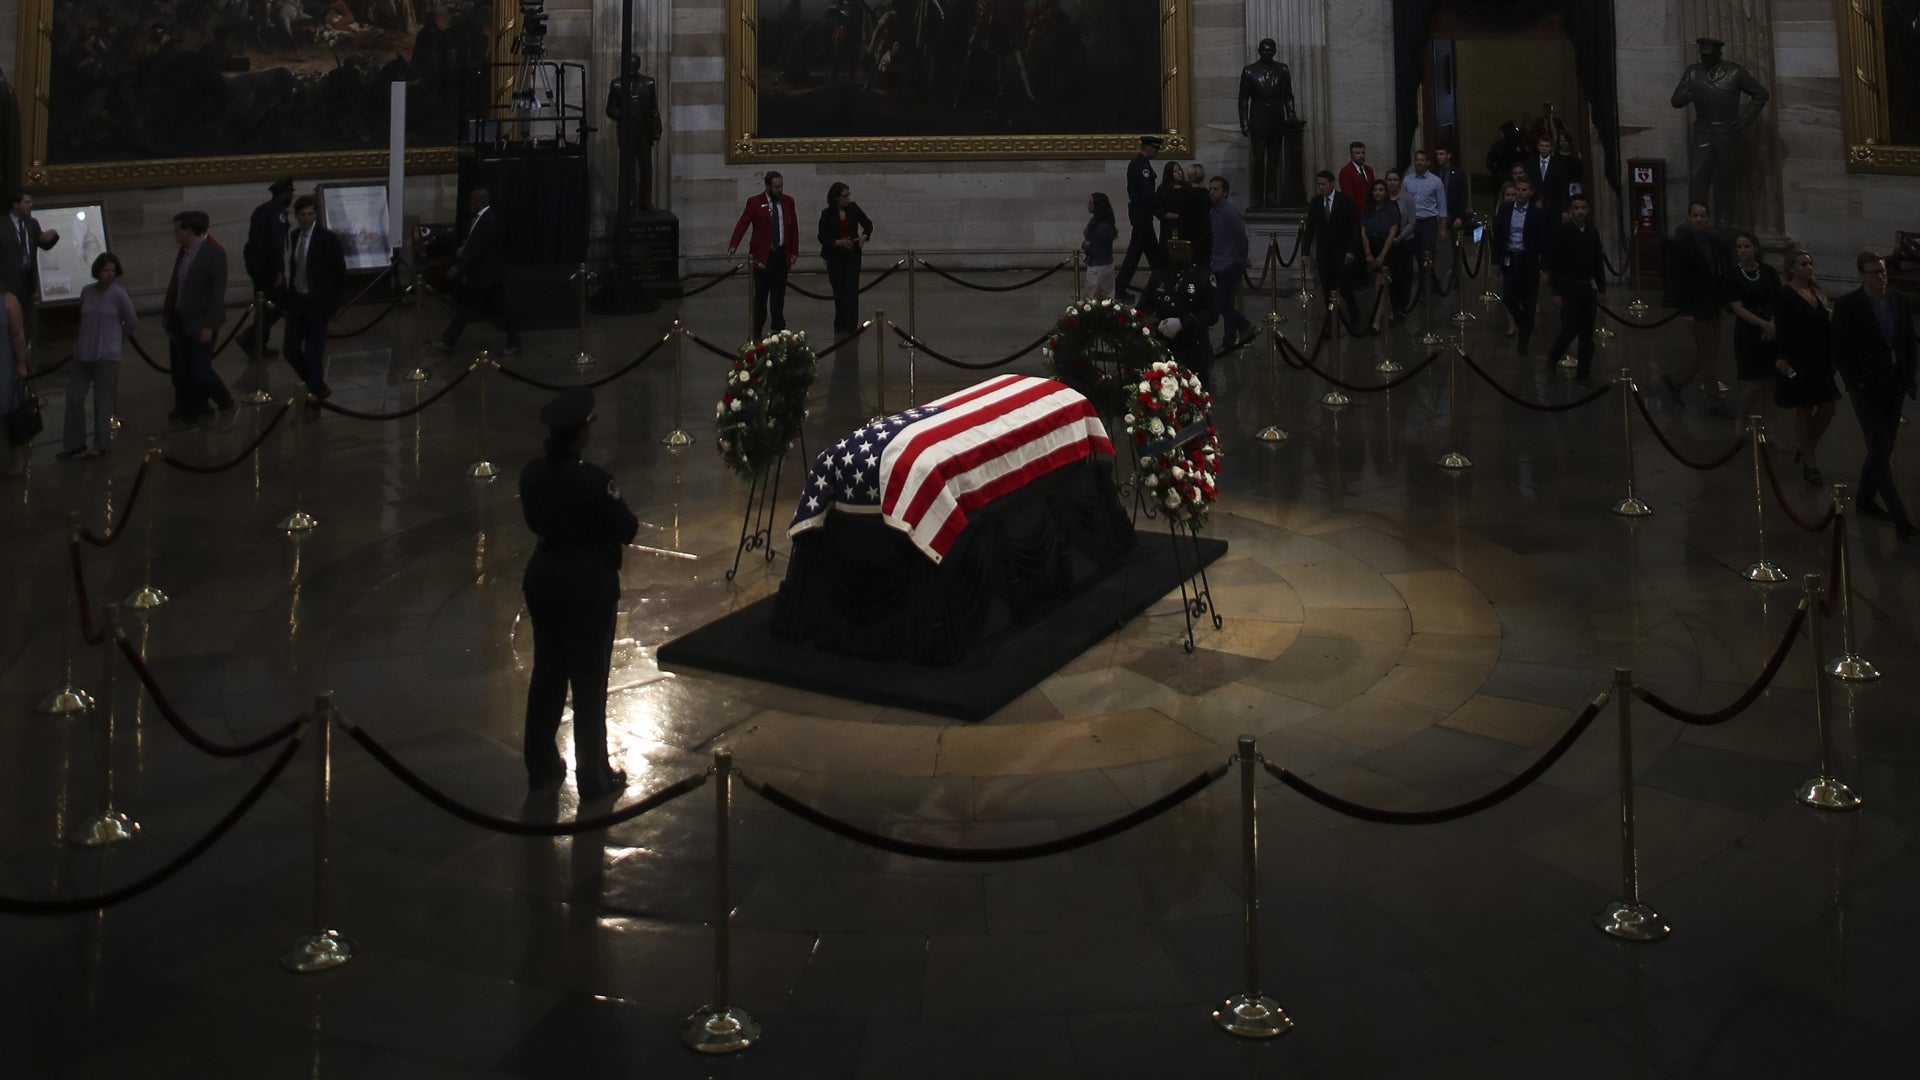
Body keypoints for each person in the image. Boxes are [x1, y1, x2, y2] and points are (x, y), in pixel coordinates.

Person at [519, 387, 640, 797]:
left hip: (544, 577)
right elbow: (627, 528)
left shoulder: (532, 474)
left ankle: (540, 764)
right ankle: (594, 777)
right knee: (589, 682)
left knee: (548, 674)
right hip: (589, 585)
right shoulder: (596, 481)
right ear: (581, 434)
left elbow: (534, 521)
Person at [1831, 250, 1918, 540]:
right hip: (1866, 387)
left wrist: (1909, 378)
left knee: (1884, 446)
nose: (1880, 277)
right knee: (1880, 449)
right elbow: (1841, 349)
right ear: (1861, 274)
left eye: (1882, 271)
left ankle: (1866, 499)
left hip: (1894, 385)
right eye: (1873, 272)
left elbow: (1907, 343)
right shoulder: (1849, 305)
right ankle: (1899, 516)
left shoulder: (1899, 302)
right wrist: (1854, 381)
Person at [1670, 37, 1770, 229]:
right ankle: (1696, 221)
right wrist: (1689, 94)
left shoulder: (1734, 72)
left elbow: (1761, 94)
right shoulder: (1693, 72)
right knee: (1698, 176)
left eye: (1710, 55)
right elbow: (1675, 101)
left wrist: (1744, 121)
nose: (1706, 59)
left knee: (1726, 178)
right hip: (1703, 131)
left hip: (1727, 132)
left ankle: (1725, 222)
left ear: (1718, 54)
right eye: (1703, 55)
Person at [56, 252, 135, 460]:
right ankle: (74, 443)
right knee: (74, 397)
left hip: (106, 354)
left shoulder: (118, 294)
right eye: (105, 270)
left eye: (112, 271)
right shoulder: (87, 292)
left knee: (101, 401)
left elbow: (131, 321)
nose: (109, 274)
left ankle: (99, 444)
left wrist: (117, 341)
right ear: (97, 271)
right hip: (84, 352)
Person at [162, 210, 235, 432]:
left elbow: (217, 293)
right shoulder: (184, 251)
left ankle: (226, 404)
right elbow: (178, 283)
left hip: (201, 322)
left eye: (177, 228)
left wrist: (209, 326)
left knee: (200, 369)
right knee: (184, 370)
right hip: (181, 320)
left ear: (188, 230)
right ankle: (192, 411)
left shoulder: (213, 253)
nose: (174, 232)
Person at [1772, 249, 1839, 487]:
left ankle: (1805, 445)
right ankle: (1810, 463)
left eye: (1810, 263)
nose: (1809, 268)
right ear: (1792, 268)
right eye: (1803, 264)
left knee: (1828, 408)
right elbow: (1782, 328)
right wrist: (1782, 357)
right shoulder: (1785, 295)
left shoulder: (1816, 292)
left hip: (1820, 358)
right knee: (1803, 408)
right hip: (1798, 358)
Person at [1662, 202, 1733, 416]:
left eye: (1703, 215)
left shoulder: (1712, 241)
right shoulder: (1681, 244)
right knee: (1709, 355)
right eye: (1695, 215)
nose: (1699, 219)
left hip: (1712, 304)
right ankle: (1715, 401)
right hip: (1695, 306)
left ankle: (1676, 380)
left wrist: (1722, 304)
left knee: (1707, 352)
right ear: (1689, 217)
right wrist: (1685, 310)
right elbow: (1679, 279)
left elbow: (1717, 273)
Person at [434, 188, 520, 356]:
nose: (469, 204)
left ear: (480, 202)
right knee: (468, 309)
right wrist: (464, 249)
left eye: (472, 200)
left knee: (490, 310)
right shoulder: (481, 219)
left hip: (488, 276)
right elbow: (474, 243)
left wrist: (459, 266)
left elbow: (479, 249)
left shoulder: (487, 221)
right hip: (483, 276)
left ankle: (514, 343)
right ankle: (447, 341)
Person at [282, 194, 346, 405]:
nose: (306, 219)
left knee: (313, 353)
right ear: (296, 216)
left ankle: (314, 399)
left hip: (318, 304)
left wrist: (333, 306)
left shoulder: (327, 238)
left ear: (316, 215)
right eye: (302, 215)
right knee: (290, 349)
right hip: (298, 302)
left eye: (310, 214)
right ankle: (315, 386)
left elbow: (338, 272)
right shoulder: (294, 236)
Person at [727, 171, 800, 341]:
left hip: (781, 256)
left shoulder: (788, 201)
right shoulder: (754, 202)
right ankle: (756, 333)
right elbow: (743, 224)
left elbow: (793, 229)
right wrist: (733, 244)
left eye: (781, 186)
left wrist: (794, 252)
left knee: (778, 299)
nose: (779, 190)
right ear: (767, 186)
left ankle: (778, 334)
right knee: (760, 298)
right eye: (776, 187)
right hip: (762, 258)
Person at [1545, 194, 1606, 383]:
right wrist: (1556, 292)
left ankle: (1584, 373)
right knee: (1569, 330)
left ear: (1588, 210)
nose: (1580, 212)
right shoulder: (1562, 233)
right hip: (1569, 287)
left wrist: (1602, 289)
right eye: (1576, 208)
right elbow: (1555, 265)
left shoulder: (1593, 232)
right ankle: (1553, 356)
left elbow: (1598, 263)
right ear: (1571, 211)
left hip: (1588, 287)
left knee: (1587, 333)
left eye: (1583, 208)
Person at [1145, 239, 1219, 385]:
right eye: (1172, 248)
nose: (1175, 253)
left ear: (1190, 250)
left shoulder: (1202, 278)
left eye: (1180, 248)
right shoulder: (1159, 277)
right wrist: (1157, 324)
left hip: (1194, 352)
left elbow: (1211, 313)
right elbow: (1143, 309)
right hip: (1164, 351)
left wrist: (1182, 323)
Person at [1727, 230, 1781, 425]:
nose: (1743, 250)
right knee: (1754, 383)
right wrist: (1763, 323)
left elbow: (1778, 300)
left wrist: (1773, 323)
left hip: (1771, 329)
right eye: (1739, 247)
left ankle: (1771, 428)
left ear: (1755, 248)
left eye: (1747, 246)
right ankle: (1741, 420)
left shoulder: (1768, 272)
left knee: (1771, 382)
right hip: (1748, 331)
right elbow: (1738, 308)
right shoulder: (1734, 274)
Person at [1491, 179, 1549, 355]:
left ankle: (1523, 342)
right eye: (1518, 189)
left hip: (1528, 261)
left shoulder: (1537, 214)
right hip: (1510, 258)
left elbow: (1544, 242)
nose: (1520, 193)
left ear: (1530, 192)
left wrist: (1545, 268)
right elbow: (1499, 236)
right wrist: (1496, 261)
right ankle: (1522, 321)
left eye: (1524, 190)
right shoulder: (1505, 210)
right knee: (1508, 295)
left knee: (1529, 301)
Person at [1239, 39, 1298, 209]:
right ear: (1259, 51)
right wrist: (1244, 123)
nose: (1267, 53)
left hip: (1277, 120)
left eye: (1270, 50)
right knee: (1258, 160)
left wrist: (1291, 114)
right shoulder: (1250, 71)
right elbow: (1243, 99)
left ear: (1274, 51)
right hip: (1258, 121)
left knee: (1274, 161)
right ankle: (1257, 198)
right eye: (1264, 50)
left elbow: (1288, 95)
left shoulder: (1283, 69)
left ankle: (1271, 197)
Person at [605, 53, 664, 212]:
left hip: (644, 131)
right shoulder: (617, 84)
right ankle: (628, 202)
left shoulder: (649, 83)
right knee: (627, 169)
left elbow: (653, 109)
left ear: (638, 65)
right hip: (627, 133)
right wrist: (623, 115)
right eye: (629, 63)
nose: (631, 67)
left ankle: (645, 201)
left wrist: (657, 128)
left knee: (646, 168)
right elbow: (610, 109)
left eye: (634, 64)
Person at [242, 177, 293, 357]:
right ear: (286, 194)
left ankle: (258, 346)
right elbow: (277, 244)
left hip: (255, 264)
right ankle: (249, 336)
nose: (291, 196)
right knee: (279, 304)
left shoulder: (261, 209)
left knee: (263, 304)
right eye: (290, 193)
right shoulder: (278, 213)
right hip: (268, 266)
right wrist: (280, 271)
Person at [1299, 170, 1360, 319]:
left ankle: (1354, 317)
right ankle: (1331, 323)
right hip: (1324, 254)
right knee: (1327, 291)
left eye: (1324, 184)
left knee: (1345, 289)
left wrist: (1351, 251)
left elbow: (1355, 228)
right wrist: (1305, 252)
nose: (1321, 187)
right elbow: (1310, 228)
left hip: (1342, 252)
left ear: (1332, 183)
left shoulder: (1346, 201)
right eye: (1319, 184)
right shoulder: (1315, 202)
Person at [817, 181, 873, 338]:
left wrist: (863, 236)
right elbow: (822, 237)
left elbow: (868, 224)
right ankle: (840, 324)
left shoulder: (854, 209)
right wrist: (839, 242)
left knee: (852, 290)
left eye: (849, 195)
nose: (848, 198)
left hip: (852, 256)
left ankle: (851, 326)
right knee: (839, 291)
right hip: (835, 257)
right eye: (844, 196)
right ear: (836, 198)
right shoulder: (827, 214)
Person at [0, 192, 60, 336]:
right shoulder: (2, 225)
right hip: (7, 283)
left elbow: (43, 243)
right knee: (8, 322)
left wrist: (53, 234)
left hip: (27, 281)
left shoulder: (32, 223)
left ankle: (25, 352)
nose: (30, 206)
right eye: (27, 202)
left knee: (25, 322)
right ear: (16, 204)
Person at [1114, 135, 1164, 301]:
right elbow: (1146, 196)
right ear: (1148, 147)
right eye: (1155, 149)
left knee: (1150, 254)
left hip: (1142, 216)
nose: (1157, 152)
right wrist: (1161, 213)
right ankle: (1121, 288)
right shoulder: (1141, 166)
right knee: (1136, 254)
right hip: (1142, 216)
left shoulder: (1139, 164)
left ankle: (1160, 285)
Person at [1207, 176, 1251, 344]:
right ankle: (1230, 336)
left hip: (1229, 263)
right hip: (1218, 262)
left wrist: (1241, 258)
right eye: (1211, 188)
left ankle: (1243, 326)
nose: (1212, 191)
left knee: (1222, 304)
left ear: (1224, 192)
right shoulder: (1214, 211)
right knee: (1224, 303)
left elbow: (1241, 237)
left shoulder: (1229, 212)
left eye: (1216, 189)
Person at [1359, 178, 1402, 335]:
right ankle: (1389, 313)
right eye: (1375, 190)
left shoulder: (1392, 209)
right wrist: (1368, 253)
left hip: (1387, 248)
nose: (1378, 193)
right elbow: (1363, 232)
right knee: (1380, 284)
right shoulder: (1367, 209)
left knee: (1380, 283)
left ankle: (1376, 321)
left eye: (1381, 190)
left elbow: (1392, 233)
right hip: (1372, 246)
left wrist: (1383, 255)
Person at [1401, 149, 1448, 282]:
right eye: (1417, 160)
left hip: (1429, 222)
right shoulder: (1407, 180)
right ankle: (1425, 280)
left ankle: (1427, 281)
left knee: (1428, 253)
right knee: (1416, 252)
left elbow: (1442, 206)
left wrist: (1442, 229)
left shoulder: (1436, 181)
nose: (1419, 163)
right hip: (1413, 223)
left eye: (1422, 160)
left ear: (1427, 162)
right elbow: (1403, 202)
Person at [1434, 146, 1472, 294]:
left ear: (1448, 155)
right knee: (1440, 249)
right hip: (1439, 215)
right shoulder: (1434, 173)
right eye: (1437, 154)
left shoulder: (1458, 173)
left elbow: (1463, 196)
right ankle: (1438, 277)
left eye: (1441, 154)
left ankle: (1455, 277)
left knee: (1456, 248)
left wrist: (1460, 216)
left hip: (1454, 214)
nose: (1439, 157)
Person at [1526, 134, 1581, 221]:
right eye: (1542, 146)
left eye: (1547, 146)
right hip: (1535, 205)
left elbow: (1564, 187)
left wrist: (1565, 210)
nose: (1544, 148)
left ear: (1551, 148)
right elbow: (1528, 184)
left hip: (1554, 208)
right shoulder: (1531, 164)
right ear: (1538, 147)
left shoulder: (1559, 164)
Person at [0, 289, 26, 476]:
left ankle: (17, 458)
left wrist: (22, 363)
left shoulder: (9, 301)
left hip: (4, 361)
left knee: (9, 409)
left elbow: (18, 335)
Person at [1082, 192, 1117, 300]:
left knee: (1094, 298)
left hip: (1100, 266)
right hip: (1098, 264)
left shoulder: (1103, 226)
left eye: (1091, 203)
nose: (1088, 205)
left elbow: (1092, 247)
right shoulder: (1095, 221)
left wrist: (1085, 245)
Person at [1338, 141, 1374, 208]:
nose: (1361, 156)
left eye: (1363, 153)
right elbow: (1349, 196)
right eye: (1358, 153)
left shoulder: (1369, 170)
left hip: (1371, 210)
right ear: (1351, 155)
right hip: (1356, 211)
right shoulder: (1346, 171)